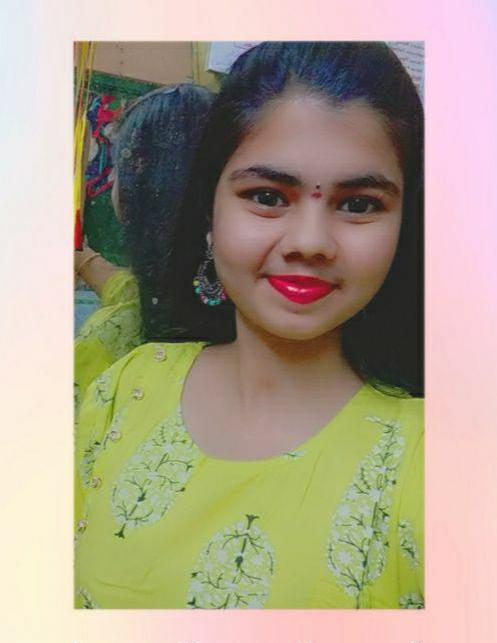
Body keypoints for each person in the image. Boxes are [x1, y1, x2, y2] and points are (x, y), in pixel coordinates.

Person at [75, 42, 424, 609]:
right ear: (209, 212)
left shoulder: (435, 462)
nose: (310, 242)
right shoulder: (124, 390)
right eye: (266, 196)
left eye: (359, 205)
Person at [74, 84, 215, 405]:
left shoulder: (109, 339)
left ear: (138, 186)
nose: (111, 180)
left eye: (118, 168)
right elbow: (128, 290)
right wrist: (81, 257)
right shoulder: (233, 302)